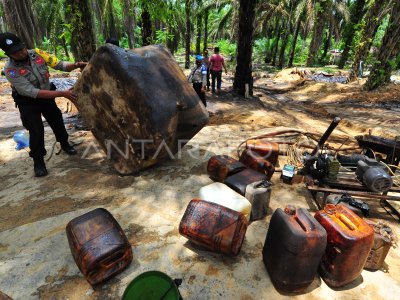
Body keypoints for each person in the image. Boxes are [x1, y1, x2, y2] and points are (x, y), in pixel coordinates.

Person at [0, 32, 87, 177]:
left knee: (57, 120)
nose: (21, 54)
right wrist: (62, 93)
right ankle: (38, 161)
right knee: (36, 130)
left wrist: (75, 65)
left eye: (21, 49)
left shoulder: (37, 54)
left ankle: (65, 144)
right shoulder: (10, 70)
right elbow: (32, 91)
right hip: (28, 101)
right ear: (9, 54)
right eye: (15, 53)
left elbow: (59, 64)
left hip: (47, 95)